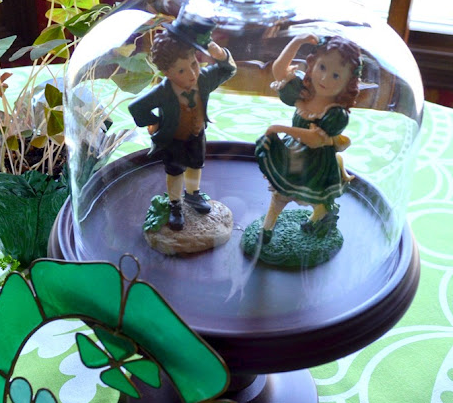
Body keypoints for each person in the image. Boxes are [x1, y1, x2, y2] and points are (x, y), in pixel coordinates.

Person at [128, 15, 236, 231]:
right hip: (174, 139)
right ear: (166, 72)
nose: (192, 74)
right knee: (175, 171)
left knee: (196, 165)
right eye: (181, 71)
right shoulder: (163, 91)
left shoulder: (204, 79)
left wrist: (221, 55)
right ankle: (175, 204)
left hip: (197, 134)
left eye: (194, 64)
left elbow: (229, 70)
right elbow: (137, 107)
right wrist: (155, 123)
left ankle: (193, 195)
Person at [255, 33, 362, 242]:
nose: (324, 78)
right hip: (292, 154)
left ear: (348, 82)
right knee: (279, 195)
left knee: (314, 198)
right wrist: (297, 42)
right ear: (312, 64)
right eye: (322, 67)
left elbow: (314, 140)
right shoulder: (304, 92)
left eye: (336, 75)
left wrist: (280, 128)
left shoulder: (336, 114)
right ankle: (267, 228)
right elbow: (279, 71)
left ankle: (320, 216)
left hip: (315, 163)